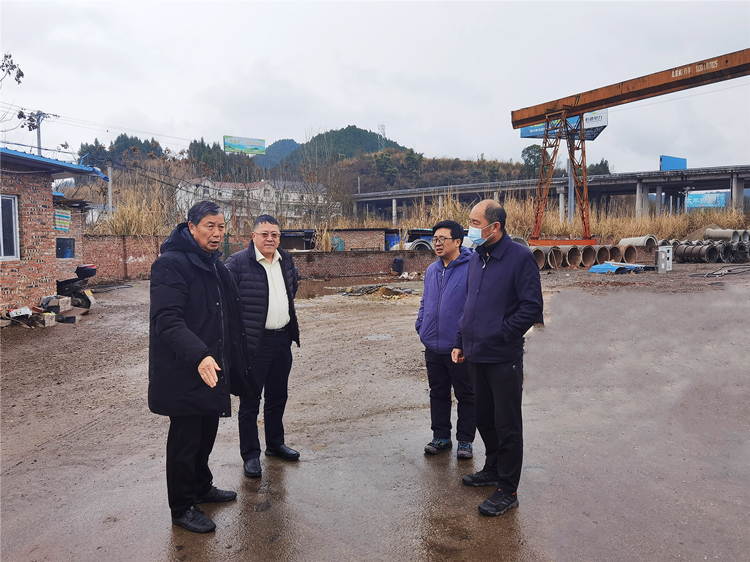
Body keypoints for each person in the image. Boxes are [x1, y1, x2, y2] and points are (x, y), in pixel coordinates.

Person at [148, 201, 259, 533]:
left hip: (212, 368)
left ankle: (200, 486)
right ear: (192, 227)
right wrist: (199, 354)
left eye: (221, 227)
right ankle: (182, 507)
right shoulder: (170, 264)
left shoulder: (214, 265)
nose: (217, 233)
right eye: (210, 226)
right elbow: (166, 320)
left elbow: (227, 315)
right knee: (185, 441)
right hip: (186, 368)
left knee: (206, 432)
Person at [452, 199, 543, 517]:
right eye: (470, 222)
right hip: (476, 354)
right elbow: (468, 304)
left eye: (475, 223)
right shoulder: (477, 258)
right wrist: (461, 340)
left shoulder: (519, 257)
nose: (470, 229)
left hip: (503, 357)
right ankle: (492, 468)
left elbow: (531, 307)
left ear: (495, 227)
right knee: (484, 418)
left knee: (507, 424)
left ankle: (508, 488)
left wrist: (502, 332)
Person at [226, 214, 301, 479]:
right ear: (253, 236)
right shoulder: (237, 263)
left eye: (275, 234)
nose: (270, 239)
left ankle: (275, 444)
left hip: (282, 341)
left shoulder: (286, 260)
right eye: (265, 234)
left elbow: (292, 288)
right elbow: (227, 304)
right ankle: (250, 455)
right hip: (253, 346)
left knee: (277, 397)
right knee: (250, 402)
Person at [415, 220, 476, 458]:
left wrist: (465, 339)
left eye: (443, 239)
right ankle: (441, 437)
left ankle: (465, 441)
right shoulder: (432, 270)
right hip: (433, 344)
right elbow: (425, 302)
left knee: (466, 395)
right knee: (438, 393)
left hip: (458, 346)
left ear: (457, 241)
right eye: (435, 239)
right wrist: (421, 326)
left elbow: (474, 307)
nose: (437, 244)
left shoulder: (472, 267)